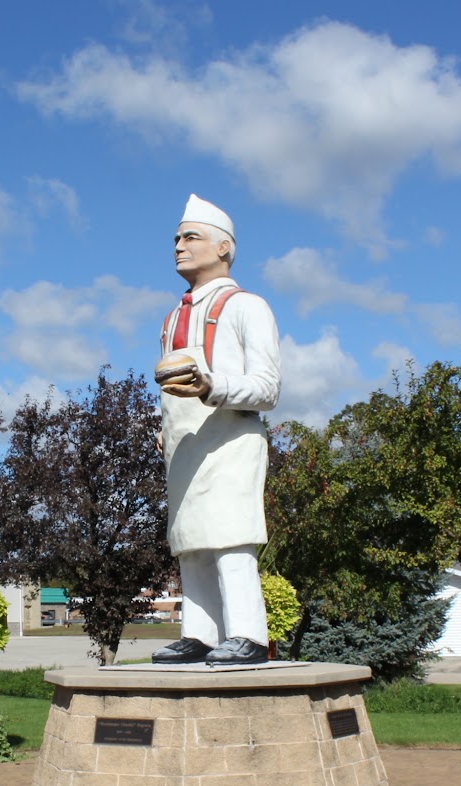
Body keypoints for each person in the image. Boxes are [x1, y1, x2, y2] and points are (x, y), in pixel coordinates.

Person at [151, 194, 282, 666]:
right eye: (177, 238)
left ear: (224, 247)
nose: (179, 246)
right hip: (184, 445)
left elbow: (267, 387)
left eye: (191, 237)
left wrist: (212, 385)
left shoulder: (247, 306)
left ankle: (247, 633)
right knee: (190, 540)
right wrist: (164, 427)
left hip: (230, 438)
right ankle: (200, 634)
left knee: (230, 537)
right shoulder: (171, 319)